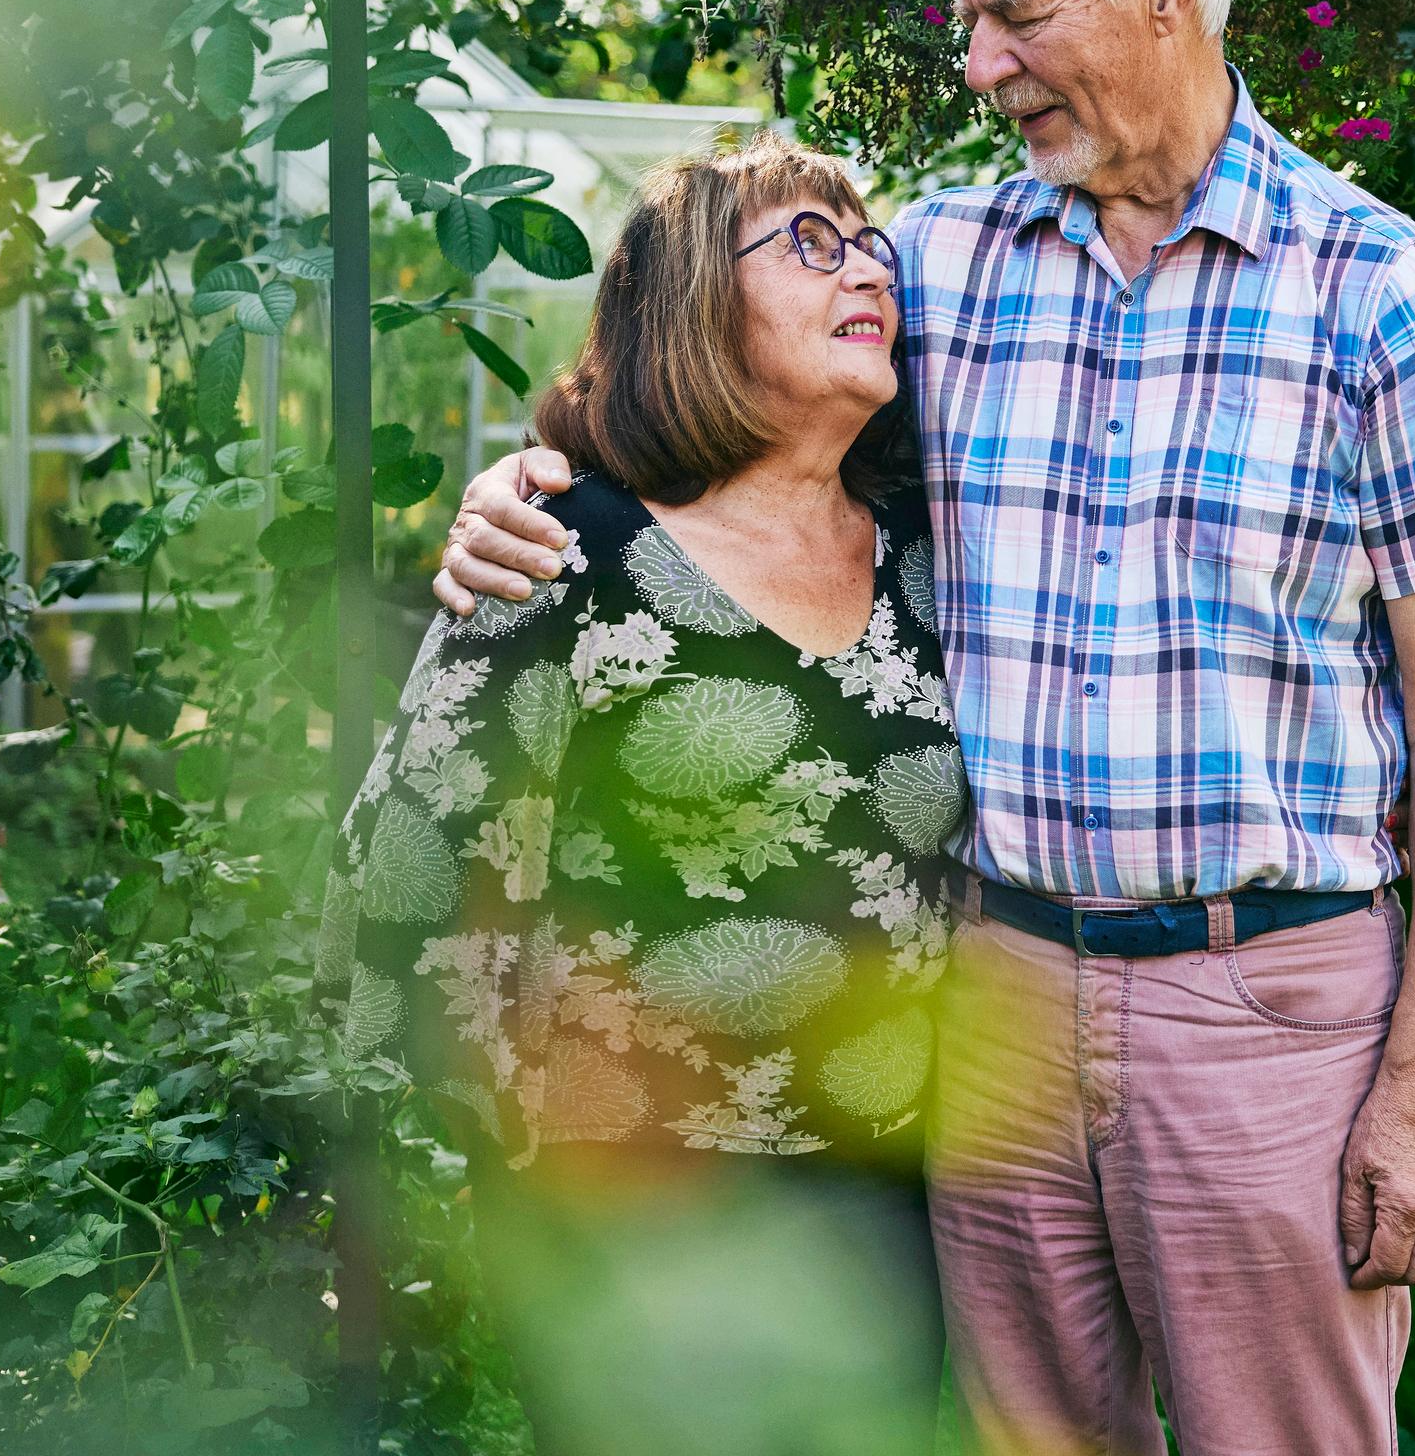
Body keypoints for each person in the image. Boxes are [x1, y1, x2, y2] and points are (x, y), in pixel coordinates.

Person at [433, 0, 1415, 1455]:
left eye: (1017, 13)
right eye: (969, 19)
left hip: (1266, 1005)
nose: (978, 61)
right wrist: (530, 477)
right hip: (997, 992)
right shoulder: (943, 266)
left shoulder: (1385, 295)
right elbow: (726, 404)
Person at [317, 138, 959, 1456]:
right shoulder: (572, 553)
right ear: (691, 306)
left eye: (870, 240)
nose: (867, 268)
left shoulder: (930, 559)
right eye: (810, 240)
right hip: (638, 1210)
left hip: (888, 1202)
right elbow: (410, 874)